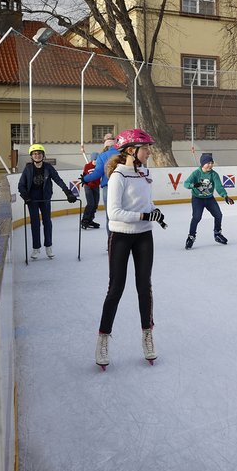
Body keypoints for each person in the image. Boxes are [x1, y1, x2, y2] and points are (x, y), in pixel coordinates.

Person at [95, 129, 166, 369]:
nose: (149, 152)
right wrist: (144, 214)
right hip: (121, 237)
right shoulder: (118, 176)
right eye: (145, 148)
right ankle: (103, 338)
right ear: (131, 151)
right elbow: (114, 213)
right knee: (115, 289)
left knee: (144, 287)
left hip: (144, 236)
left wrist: (154, 210)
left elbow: (146, 202)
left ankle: (147, 334)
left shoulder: (145, 173)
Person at [17, 144, 78, 260]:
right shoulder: (28, 168)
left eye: (39, 153)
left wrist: (68, 192)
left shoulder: (48, 167)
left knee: (47, 222)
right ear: (31, 156)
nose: (37, 155)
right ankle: (36, 248)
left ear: (43, 155)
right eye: (35, 154)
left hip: (45, 198)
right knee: (35, 223)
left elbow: (58, 180)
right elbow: (21, 185)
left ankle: (48, 246)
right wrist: (25, 196)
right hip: (32, 200)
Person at [183, 152, 234, 249]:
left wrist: (225, 196)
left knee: (218, 215)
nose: (210, 165)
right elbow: (186, 184)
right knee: (196, 218)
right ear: (203, 163)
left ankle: (217, 234)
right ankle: (191, 236)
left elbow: (219, 187)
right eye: (208, 163)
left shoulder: (214, 174)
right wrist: (193, 185)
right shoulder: (196, 173)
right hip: (197, 199)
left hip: (209, 199)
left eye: (212, 163)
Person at [79, 152, 102, 229]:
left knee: (95, 204)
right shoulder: (87, 166)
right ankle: (85, 220)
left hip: (96, 186)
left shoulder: (100, 166)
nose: (96, 161)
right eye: (94, 159)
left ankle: (90, 220)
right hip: (88, 186)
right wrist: (85, 179)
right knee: (91, 203)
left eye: (97, 160)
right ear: (92, 159)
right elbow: (84, 176)